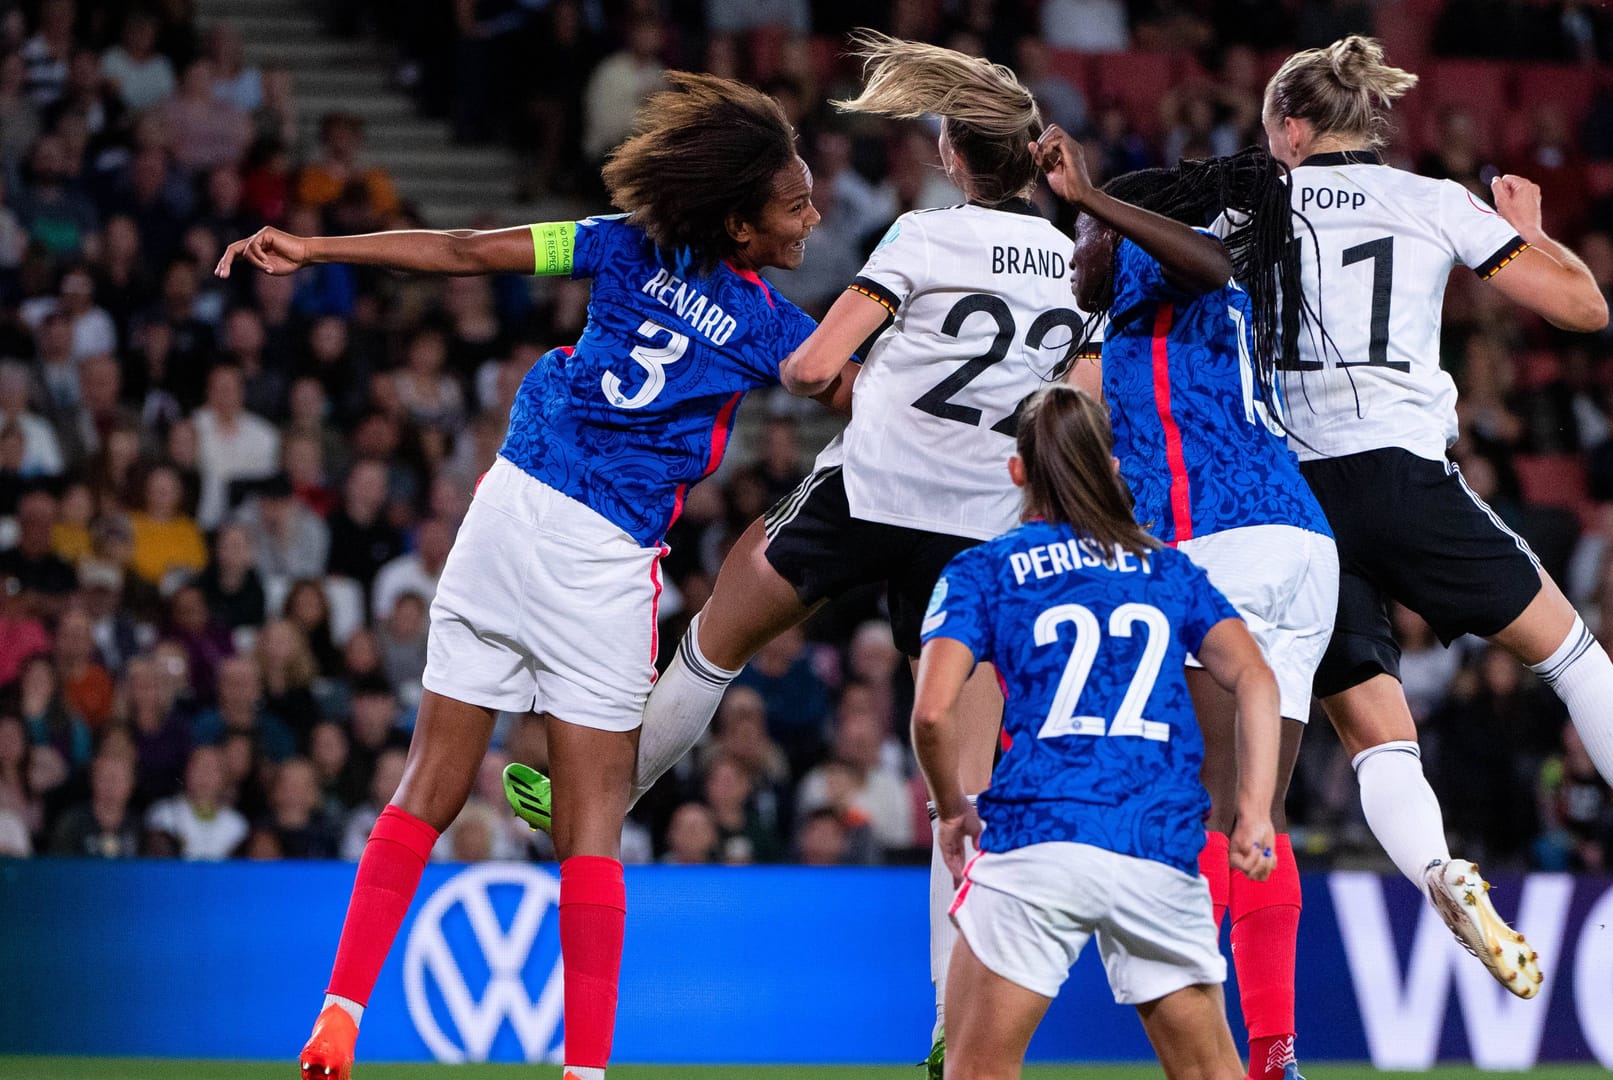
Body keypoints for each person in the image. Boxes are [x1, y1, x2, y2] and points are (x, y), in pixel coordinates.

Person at [218, 71, 839, 1080]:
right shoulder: (774, 328)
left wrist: (315, 245)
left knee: (425, 786)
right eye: (795, 204)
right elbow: (858, 394)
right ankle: (583, 1076)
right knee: (590, 828)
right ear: (738, 226)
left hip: (504, 511)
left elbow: (464, 252)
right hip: (599, 556)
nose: (813, 214)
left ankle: (340, 1011)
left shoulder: (620, 240)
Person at [501, 35, 1080, 1061]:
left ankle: (608, 790)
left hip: (876, 487)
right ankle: (956, 1024)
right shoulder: (1080, 268)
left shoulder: (922, 239)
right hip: (987, 524)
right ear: (1031, 160)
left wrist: (854, 372)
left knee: (724, 629)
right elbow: (1082, 407)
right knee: (961, 771)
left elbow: (813, 365)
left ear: (952, 153)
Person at [1260, 35, 1613, 991]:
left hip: (1294, 504)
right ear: (1364, 122)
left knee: (1375, 733)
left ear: (1291, 129)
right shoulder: (1430, 201)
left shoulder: (1251, 211)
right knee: (1576, 659)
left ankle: (1439, 869)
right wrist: (1529, 229)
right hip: (1406, 478)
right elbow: (1583, 309)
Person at [1037, 129, 1335, 1078]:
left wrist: (1099, 201)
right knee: (1261, 811)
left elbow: (1201, 259)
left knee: (1206, 810)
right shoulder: (1157, 312)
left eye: (1078, 237)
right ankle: (1274, 1055)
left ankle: (1202, 1051)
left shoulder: (1154, 278)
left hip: (1229, 550)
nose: (1072, 254)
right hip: (1299, 545)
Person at [913, 386, 1280, 1080]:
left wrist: (953, 809)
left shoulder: (982, 569)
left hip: (1038, 838)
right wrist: (1253, 811)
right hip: (1156, 844)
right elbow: (1257, 678)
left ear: (1018, 472)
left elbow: (932, 713)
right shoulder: (1170, 571)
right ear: (1114, 467)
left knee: (975, 1070)